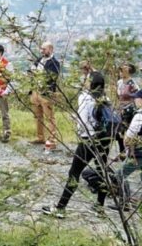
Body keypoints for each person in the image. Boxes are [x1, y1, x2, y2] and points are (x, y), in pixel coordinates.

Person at [42, 72, 111, 219]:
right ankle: (99, 206)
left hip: (88, 139)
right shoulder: (106, 98)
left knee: (74, 173)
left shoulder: (85, 98)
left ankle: (61, 207)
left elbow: (83, 122)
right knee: (102, 171)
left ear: (90, 83)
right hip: (104, 139)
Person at [30, 42, 61, 150]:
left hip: (46, 92)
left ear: (50, 49)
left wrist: (38, 75)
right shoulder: (39, 59)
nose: (42, 51)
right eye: (41, 49)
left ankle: (52, 140)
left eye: (44, 49)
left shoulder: (54, 63)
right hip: (36, 90)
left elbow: (52, 77)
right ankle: (40, 137)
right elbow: (31, 69)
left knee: (49, 117)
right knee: (37, 116)